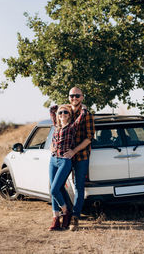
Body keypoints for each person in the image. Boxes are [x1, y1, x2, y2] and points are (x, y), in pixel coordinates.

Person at [48, 104, 87, 231]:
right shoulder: (56, 126)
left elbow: (81, 118)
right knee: (53, 189)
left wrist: (84, 109)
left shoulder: (72, 127)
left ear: (69, 115)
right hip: (53, 160)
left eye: (66, 112)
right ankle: (56, 218)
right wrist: (51, 147)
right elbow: (52, 111)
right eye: (60, 113)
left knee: (55, 189)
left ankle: (66, 212)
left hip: (65, 161)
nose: (62, 115)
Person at [63, 87, 95, 231]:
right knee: (57, 185)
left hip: (81, 156)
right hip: (64, 156)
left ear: (82, 97)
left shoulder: (87, 114)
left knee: (78, 187)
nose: (74, 98)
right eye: (72, 95)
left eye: (77, 95)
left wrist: (74, 151)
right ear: (69, 97)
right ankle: (64, 213)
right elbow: (58, 128)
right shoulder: (64, 111)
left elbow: (89, 138)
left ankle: (75, 218)